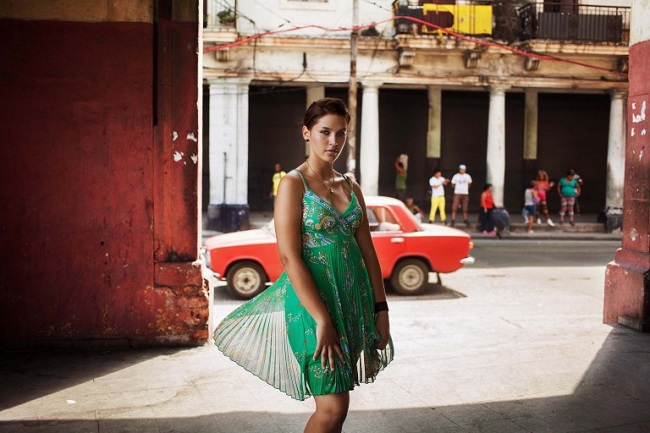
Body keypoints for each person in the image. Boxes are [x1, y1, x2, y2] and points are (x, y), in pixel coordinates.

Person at [213, 97, 393, 433]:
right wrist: (321, 318)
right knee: (332, 406)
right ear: (306, 133)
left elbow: (369, 252)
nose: (333, 141)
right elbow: (289, 257)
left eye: (341, 134)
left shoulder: (351, 186)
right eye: (325, 132)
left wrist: (381, 309)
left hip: (353, 304)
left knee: (339, 407)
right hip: (312, 309)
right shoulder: (293, 184)